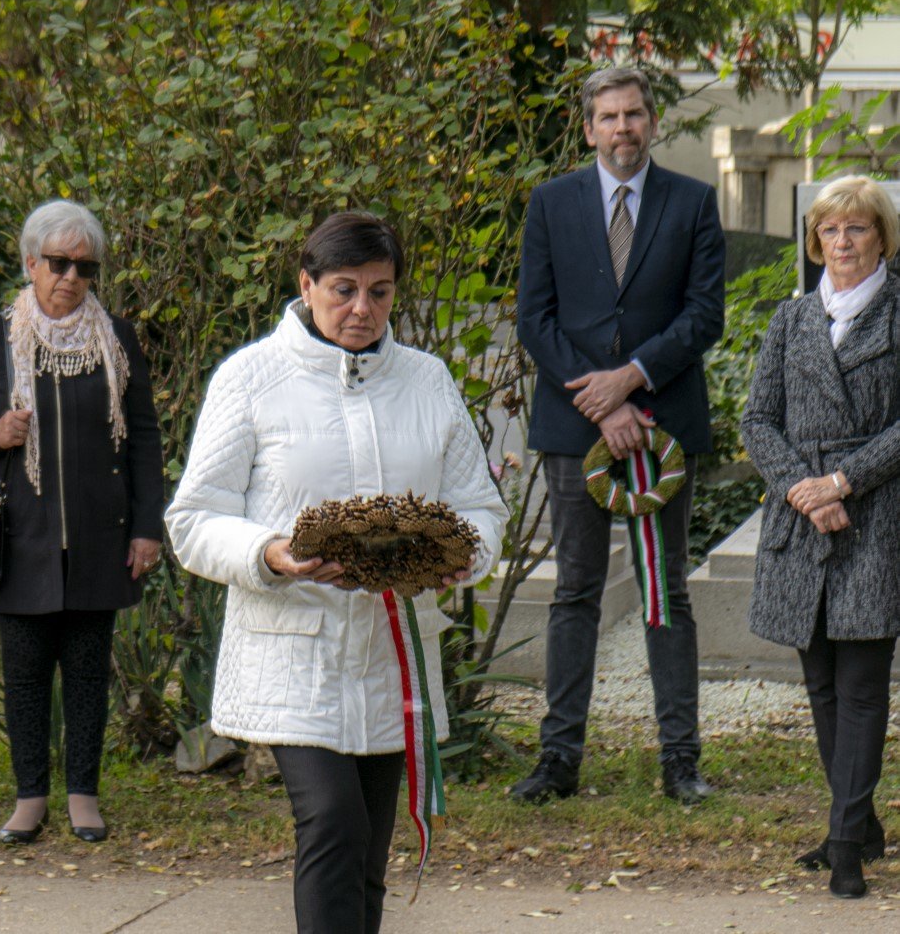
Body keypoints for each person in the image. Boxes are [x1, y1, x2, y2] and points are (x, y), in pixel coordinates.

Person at [166, 213, 506, 934]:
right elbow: (192, 519)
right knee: (332, 823)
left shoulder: (427, 380)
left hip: (393, 658)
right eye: (343, 290)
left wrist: (455, 557)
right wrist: (269, 554)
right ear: (305, 285)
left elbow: (478, 506)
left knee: (368, 855)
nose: (362, 309)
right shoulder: (251, 378)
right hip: (293, 651)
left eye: (380, 293)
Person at [512, 66, 725, 806]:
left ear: (652, 121)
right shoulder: (550, 205)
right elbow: (534, 320)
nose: (622, 128)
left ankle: (680, 762)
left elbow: (703, 316)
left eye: (633, 114)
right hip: (575, 429)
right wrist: (600, 404)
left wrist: (630, 380)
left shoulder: (693, 202)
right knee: (573, 589)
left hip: (661, 425)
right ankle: (558, 759)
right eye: (608, 117)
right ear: (587, 128)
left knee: (666, 590)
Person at [0, 200, 164, 844]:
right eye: (58, 263)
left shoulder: (116, 339)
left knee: (90, 672)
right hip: (22, 536)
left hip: (101, 534)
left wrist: (147, 526)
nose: (70, 276)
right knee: (27, 674)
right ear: (30, 263)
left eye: (84, 265)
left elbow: (144, 437)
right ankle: (30, 796)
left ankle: (83, 795)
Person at [742, 176, 900, 899]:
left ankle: (843, 843)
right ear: (815, 240)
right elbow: (757, 421)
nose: (841, 243)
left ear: (882, 238)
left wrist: (840, 483)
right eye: (829, 230)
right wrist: (803, 492)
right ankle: (859, 823)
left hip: (875, 518)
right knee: (820, 683)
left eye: (857, 229)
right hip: (800, 518)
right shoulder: (791, 317)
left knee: (862, 686)